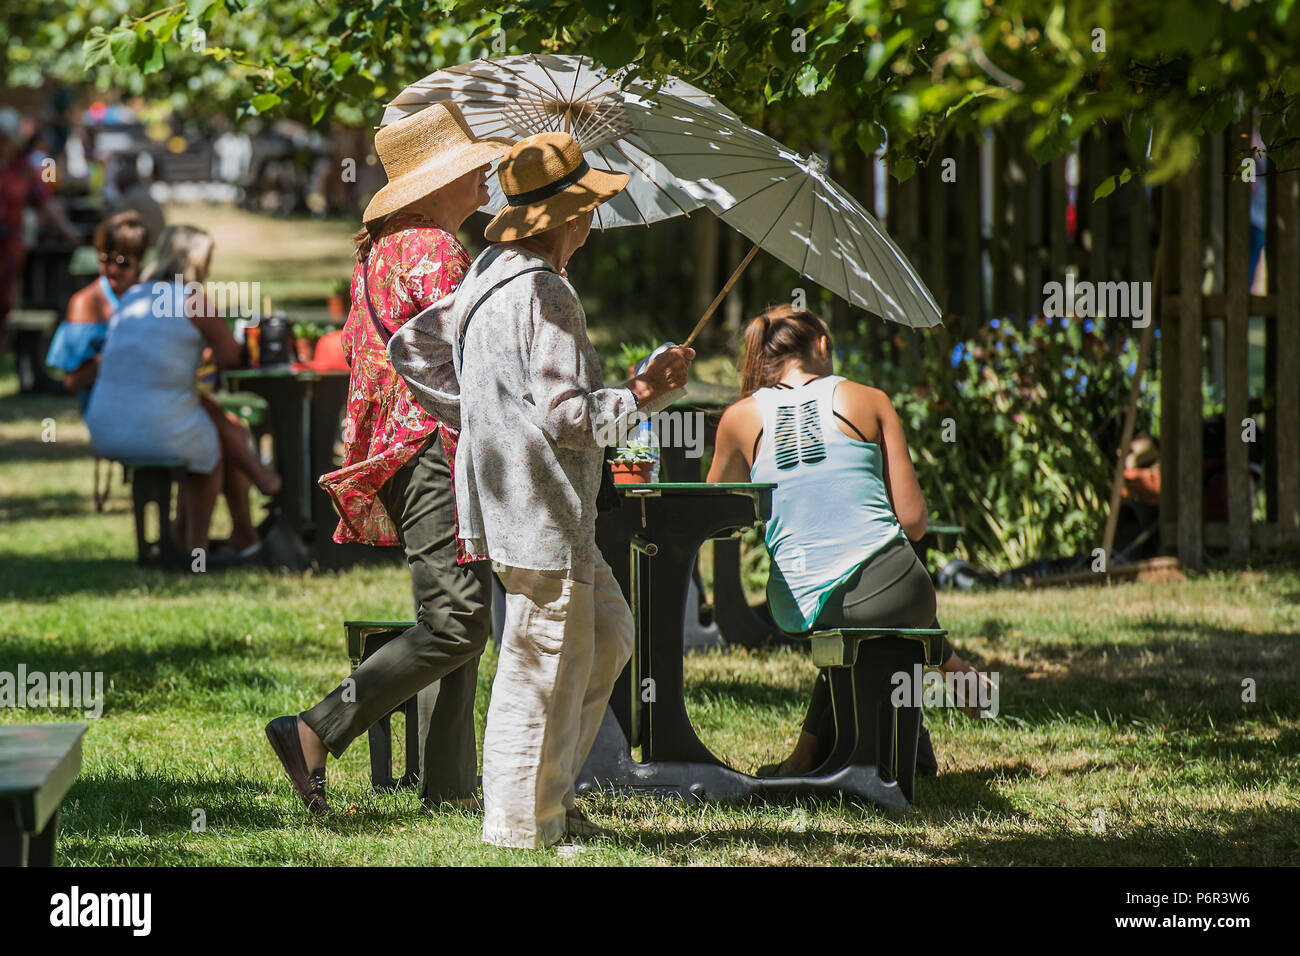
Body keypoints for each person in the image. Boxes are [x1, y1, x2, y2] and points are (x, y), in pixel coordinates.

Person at [393, 131, 694, 848]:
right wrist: (643, 394)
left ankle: (547, 795)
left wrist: (483, 417)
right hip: (541, 509)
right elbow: (566, 417)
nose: (591, 222)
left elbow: (411, 347)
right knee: (541, 663)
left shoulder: (490, 272)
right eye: (586, 208)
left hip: (520, 503)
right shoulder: (545, 290)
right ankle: (522, 826)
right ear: (566, 217)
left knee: (606, 637)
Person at [263, 102, 511, 812]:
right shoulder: (431, 247)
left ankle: (451, 788)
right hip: (429, 445)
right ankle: (315, 728)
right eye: (473, 166)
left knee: (453, 616)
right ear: (439, 180)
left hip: (403, 449)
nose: (486, 174)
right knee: (460, 620)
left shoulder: (385, 246)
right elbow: (473, 350)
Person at [706, 305, 992, 777]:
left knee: (848, 607)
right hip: (903, 588)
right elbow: (915, 523)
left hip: (807, 600)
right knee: (880, 594)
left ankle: (808, 755)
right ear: (821, 344)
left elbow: (714, 515)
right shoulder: (870, 399)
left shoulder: (739, 418)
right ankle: (946, 663)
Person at [84, 224, 280, 554]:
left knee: (206, 411)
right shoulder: (194, 300)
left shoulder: (133, 295)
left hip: (103, 425)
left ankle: (230, 530)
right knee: (210, 451)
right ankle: (195, 551)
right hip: (155, 428)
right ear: (198, 262)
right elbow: (232, 360)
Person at [45, 210, 151, 412]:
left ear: (140, 259)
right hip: (104, 411)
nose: (112, 269)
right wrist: (115, 355)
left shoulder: (151, 297)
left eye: (123, 262)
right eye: (105, 259)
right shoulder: (85, 303)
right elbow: (71, 381)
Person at [0, 107, 80, 367]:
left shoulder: (28, 167)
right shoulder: (41, 162)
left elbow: (46, 198)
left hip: (10, 248)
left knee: (6, 303)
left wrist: (67, 229)